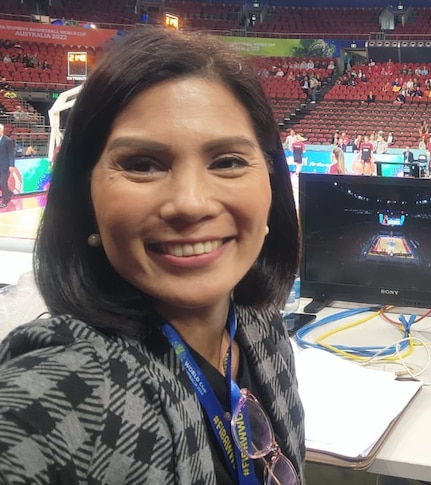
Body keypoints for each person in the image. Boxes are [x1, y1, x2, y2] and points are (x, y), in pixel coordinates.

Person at [0, 29, 305, 483]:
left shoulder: (263, 330)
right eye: (142, 164)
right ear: (85, 198)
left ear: (272, 187)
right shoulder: (75, 390)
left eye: (227, 161)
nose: (191, 203)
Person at [0, 123, 14, 208]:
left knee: (3, 183)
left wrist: (11, 165)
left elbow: (11, 154)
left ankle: (5, 200)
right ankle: (9, 193)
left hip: (5, 166)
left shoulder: (7, 140)